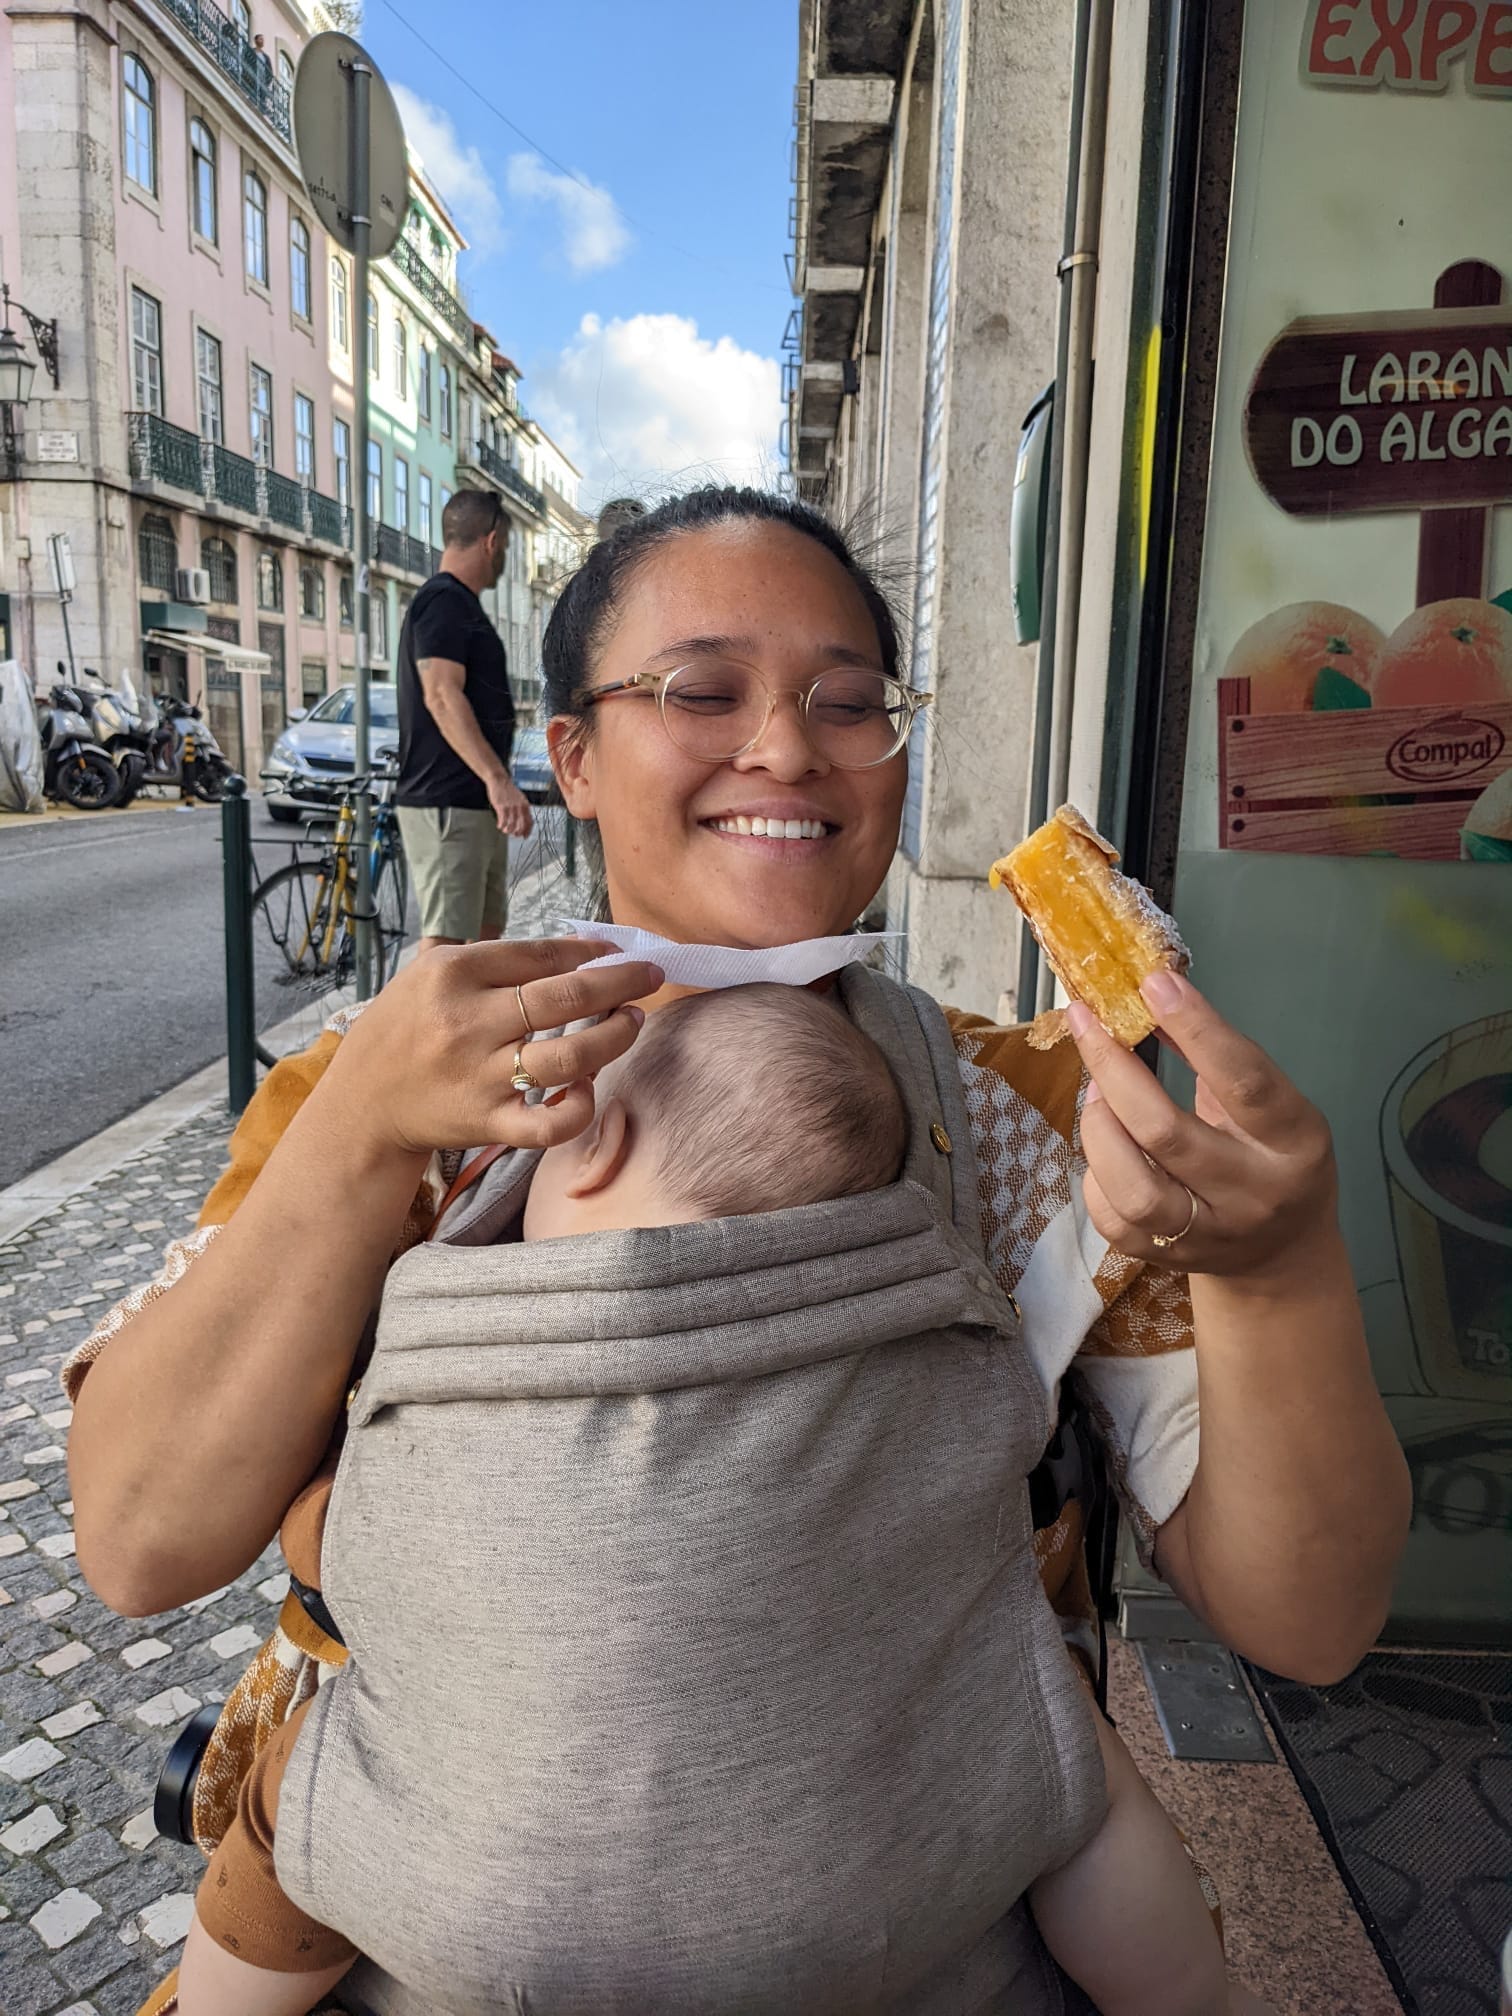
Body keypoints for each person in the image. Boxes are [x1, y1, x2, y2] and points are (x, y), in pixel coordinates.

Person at [67, 488, 1411, 2014]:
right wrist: (356, 1141)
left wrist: (1280, 1266)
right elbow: (138, 1542)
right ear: (568, 756)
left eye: (850, 703)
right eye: (700, 692)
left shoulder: (1026, 1111)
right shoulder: (382, 1099)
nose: (785, 748)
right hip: (420, 1917)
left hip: (934, 1916)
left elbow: (1307, 1620)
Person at [173, 983, 1269, 2016]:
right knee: (1066, 1764)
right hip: (887, 1892)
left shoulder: (457, 1348)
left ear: (589, 1143)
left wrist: (322, 1530)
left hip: (483, 1916)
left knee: (285, 1813)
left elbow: (345, 1560)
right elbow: (977, 1499)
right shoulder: (921, 1323)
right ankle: (1183, 1996)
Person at [394, 487, 533, 954]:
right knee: (445, 946)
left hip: (471, 802)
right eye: (506, 549)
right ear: (491, 541)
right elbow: (440, 694)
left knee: (484, 940)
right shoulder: (444, 601)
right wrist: (497, 780)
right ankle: (417, 1031)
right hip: (447, 801)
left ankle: (482, 1030)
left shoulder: (460, 604)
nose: (504, 559)